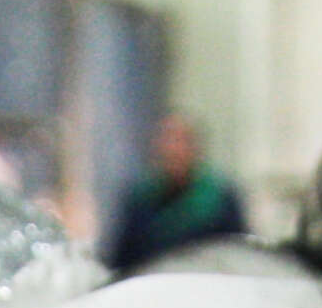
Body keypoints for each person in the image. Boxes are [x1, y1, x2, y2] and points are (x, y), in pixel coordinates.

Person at [105, 114, 247, 273]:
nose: (174, 150)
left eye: (182, 141)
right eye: (167, 141)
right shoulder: (139, 200)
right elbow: (120, 262)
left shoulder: (220, 200)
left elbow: (238, 256)